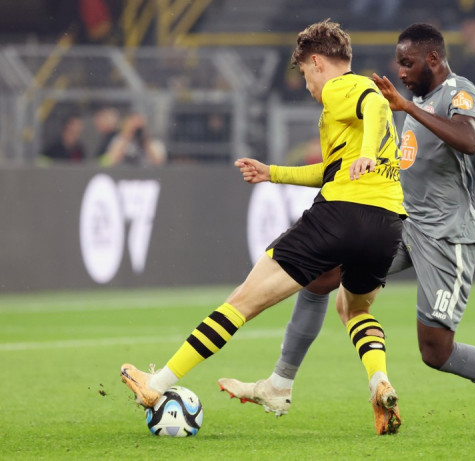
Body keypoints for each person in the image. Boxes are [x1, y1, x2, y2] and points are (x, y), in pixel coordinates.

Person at [218, 23, 475, 429]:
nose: (400, 71)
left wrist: (407, 109)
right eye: (398, 63)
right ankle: (280, 383)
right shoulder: (410, 102)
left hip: (448, 235)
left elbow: (470, 139)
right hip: (404, 223)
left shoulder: (458, 91)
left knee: (436, 352)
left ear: (433, 59)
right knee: (320, 276)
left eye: (407, 63)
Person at [121, 19, 406, 435]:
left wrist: (365, 154)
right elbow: (328, 171)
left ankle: (157, 384)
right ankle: (379, 382)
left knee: (242, 302)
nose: (308, 85)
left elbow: (377, 105)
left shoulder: (342, 87)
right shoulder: (346, 112)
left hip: (343, 212)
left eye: (305, 74)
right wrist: (272, 172)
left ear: (317, 62)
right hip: (388, 222)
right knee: (355, 310)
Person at [100, 113, 166, 166]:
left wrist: (145, 139)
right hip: (122, 176)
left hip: (147, 176)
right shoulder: (118, 140)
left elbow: (159, 164)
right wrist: (127, 135)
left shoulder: (154, 143)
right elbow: (110, 161)